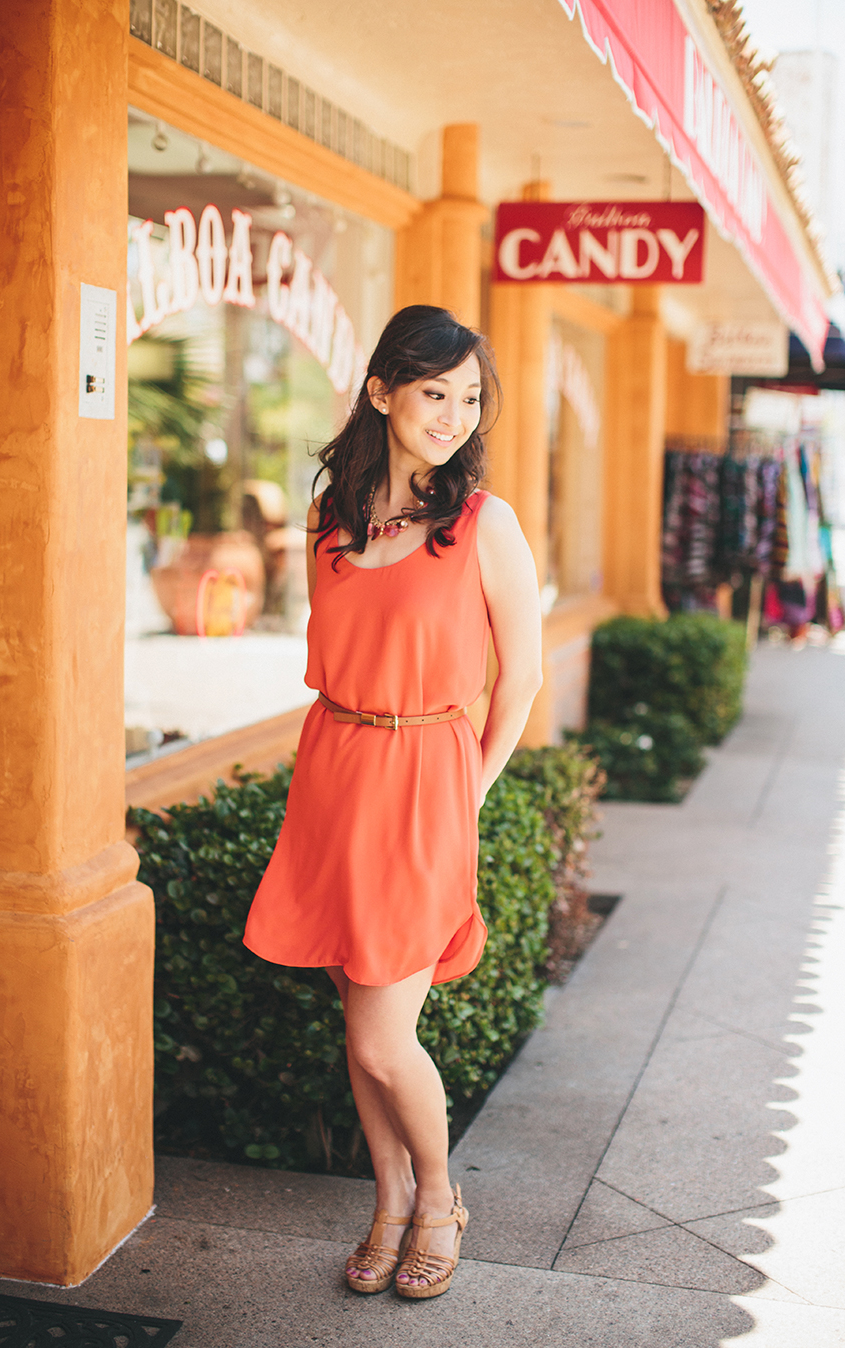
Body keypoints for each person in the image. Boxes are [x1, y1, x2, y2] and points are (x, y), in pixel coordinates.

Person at [242, 305, 542, 1300]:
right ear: (380, 390)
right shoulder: (334, 514)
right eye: (432, 392)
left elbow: (521, 677)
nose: (452, 414)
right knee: (353, 1020)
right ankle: (385, 1199)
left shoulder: (480, 522)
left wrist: (471, 788)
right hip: (333, 766)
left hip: (424, 778)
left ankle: (440, 1198)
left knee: (383, 1034)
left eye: (466, 398)